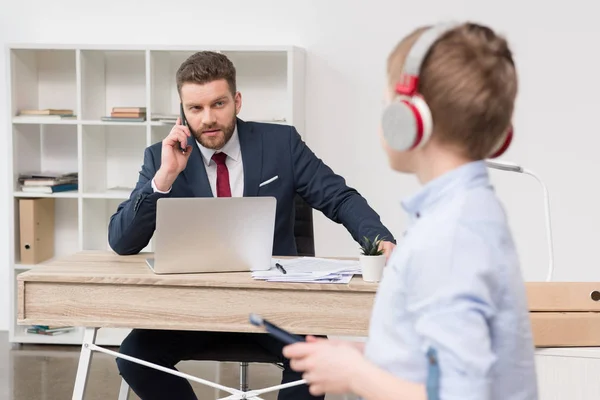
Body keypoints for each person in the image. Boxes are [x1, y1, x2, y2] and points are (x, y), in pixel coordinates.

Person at [107, 51, 396, 400]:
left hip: (275, 306)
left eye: (219, 103)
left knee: (311, 364)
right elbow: (122, 240)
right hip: (195, 309)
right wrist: (165, 178)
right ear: (182, 111)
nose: (208, 118)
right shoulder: (161, 157)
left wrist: (380, 241)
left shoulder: (281, 144)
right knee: (134, 356)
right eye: (195, 109)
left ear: (237, 101)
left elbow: (338, 197)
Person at [283, 21, 538, 400]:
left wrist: (354, 374)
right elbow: (440, 367)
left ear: (409, 118)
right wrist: (372, 359)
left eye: (388, 104)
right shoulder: (461, 214)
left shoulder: (452, 235)